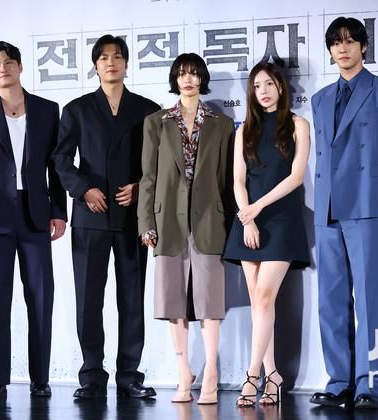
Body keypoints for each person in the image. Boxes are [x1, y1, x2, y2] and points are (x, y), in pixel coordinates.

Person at [309, 17, 378, 409]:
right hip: (329, 209)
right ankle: (339, 381)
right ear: (330, 50)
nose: (343, 48)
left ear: (364, 46)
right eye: (336, 43)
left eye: (351, 41)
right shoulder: (320, 99)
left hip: (366, 205)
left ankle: (370, 383)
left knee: (369, 299)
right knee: (330, 299)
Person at [52, 35, 160, 400]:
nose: (110, 62)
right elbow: (61, 160)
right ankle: (91, 376)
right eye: (103, 58)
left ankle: (129, 375)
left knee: (132, 299)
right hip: (90, 216)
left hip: (131, 217)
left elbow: (159, 163)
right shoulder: (77, 109)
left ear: (127, 63)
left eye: (116, 57)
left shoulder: (147, 110)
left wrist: (141, 187)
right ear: (95, 65)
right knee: (89, 301)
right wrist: (84, 189)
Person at [0, 41, 67, 400]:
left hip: (36, 215)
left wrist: (59, 211)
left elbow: (56, 166)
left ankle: (40, 378)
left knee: (41, 297)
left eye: (8, 62)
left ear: (20, 67)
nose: (2, 69)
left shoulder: (47, 110)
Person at [138, 53, 233, 405]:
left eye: (193, 73)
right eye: (181, 74)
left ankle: (211, 372)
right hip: (167, 220)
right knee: (173, 299)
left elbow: (227, 178)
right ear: (175, 80)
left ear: (202, 78)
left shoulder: (221, 124)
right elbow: (148, 177)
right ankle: (183, 373)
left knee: (209, 300)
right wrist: (145, 221)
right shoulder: (156, 122)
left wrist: (231, 221)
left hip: (210, 218)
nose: (188, 79)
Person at [223, 62, 310, 407]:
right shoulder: (245, 130)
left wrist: (257, 208)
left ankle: (251, 375)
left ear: (281, 87)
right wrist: (248, 219)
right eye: (257, 85)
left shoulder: (298, 125)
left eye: (269, 84)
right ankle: (272, 375)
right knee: (261, 304)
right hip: (248, 222)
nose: (263, 91)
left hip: (281, 219)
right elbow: (237, 181)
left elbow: (296, 177)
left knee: (263, 298)